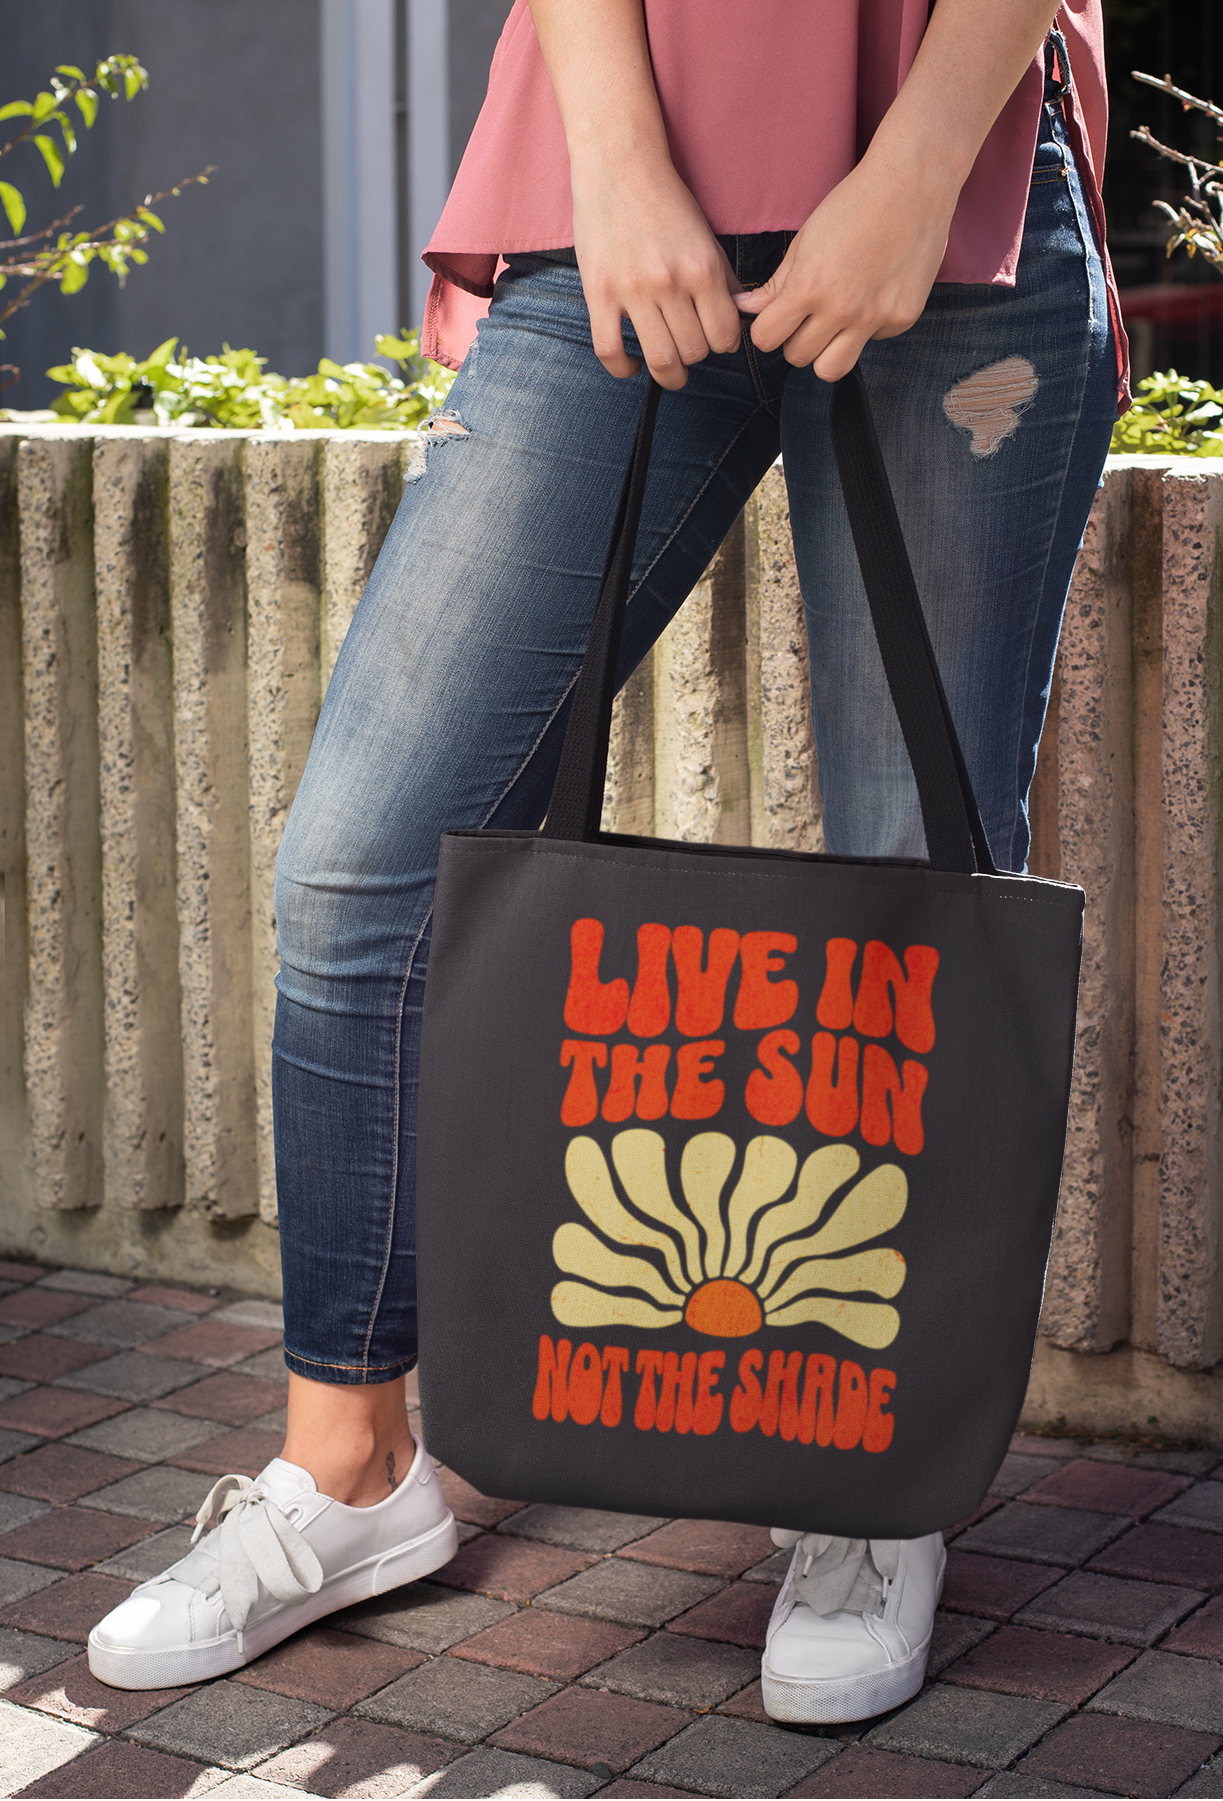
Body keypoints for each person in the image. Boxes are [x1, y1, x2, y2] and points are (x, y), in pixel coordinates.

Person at [88, 0, 1124, 1722]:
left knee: (914, 882)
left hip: (957, 185)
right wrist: (623, 165)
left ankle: (871, 1485)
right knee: (364, 870)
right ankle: (350, 1474)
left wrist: (921, 162)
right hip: (622, 171)